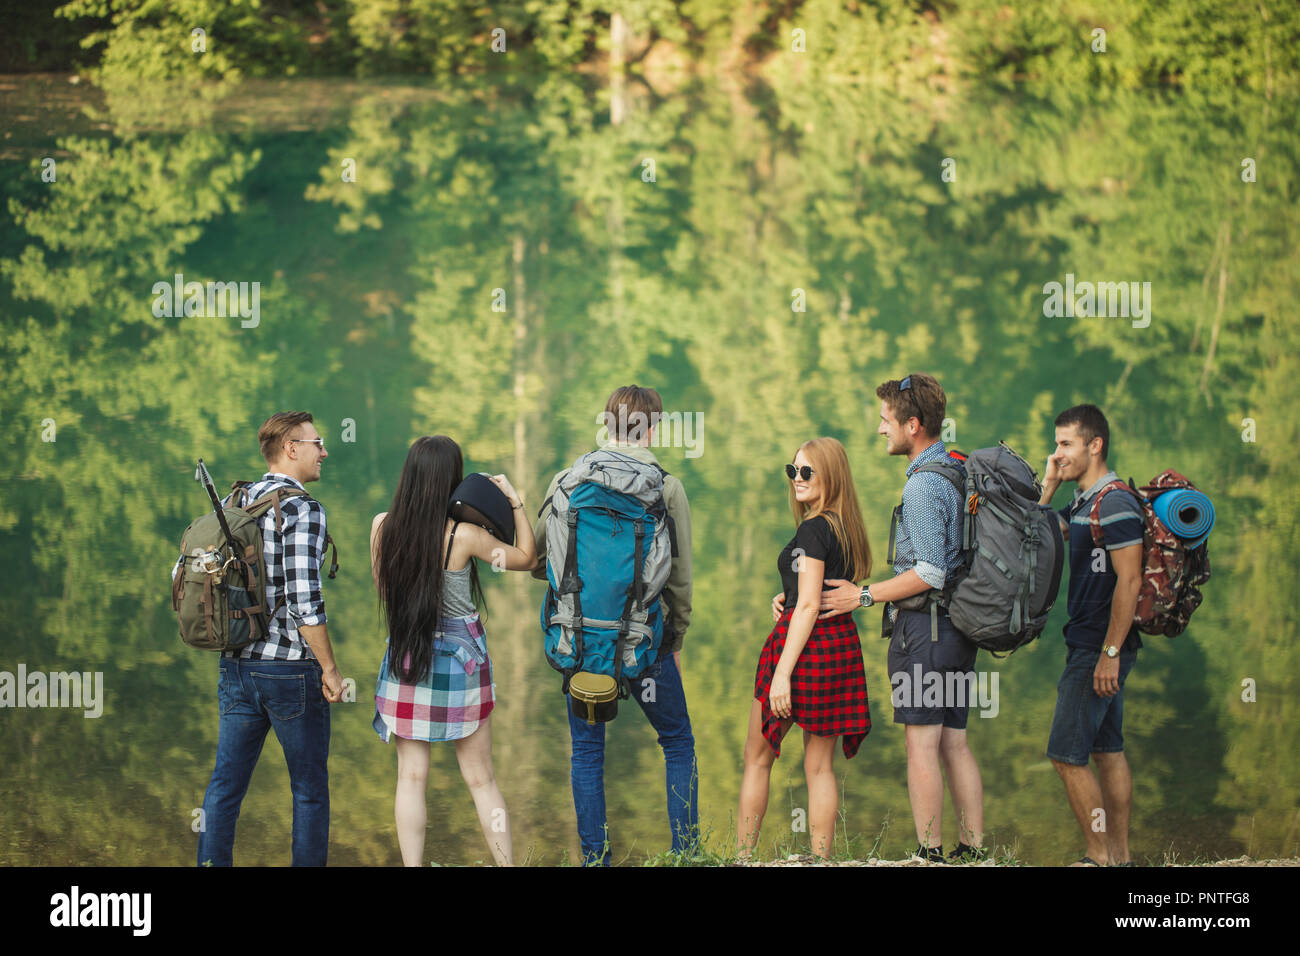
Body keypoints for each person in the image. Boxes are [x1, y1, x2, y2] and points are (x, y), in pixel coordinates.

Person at [819, 373, 985, 863]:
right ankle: (973, 851)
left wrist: (862, 596)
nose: (879, 430)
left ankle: (929, 853)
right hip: (959, 628)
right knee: (955, 742)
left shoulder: (922, 487)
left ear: (913, 425)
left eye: (886, 421)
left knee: (922, 746)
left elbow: (929, 571)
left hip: (926, 632)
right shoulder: (957, 469)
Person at [531, 385, 696, 866]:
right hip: (645, 641)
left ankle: (596, 860)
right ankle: (686, 854)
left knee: (587, 753)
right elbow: (680, 580)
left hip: (580, 642)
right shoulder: (666, 488)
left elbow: (543, 559)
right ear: (655, 427)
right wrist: (675, 638)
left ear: (606, 423)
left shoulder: (566, 480)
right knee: (677, 742)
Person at [370, 436, 536, 867]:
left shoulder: (382, 527)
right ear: (451, 480)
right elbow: (527, 558)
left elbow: (387, 596)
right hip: (461, 666)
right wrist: (515, 504)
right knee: (482, 781)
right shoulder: (464, 536)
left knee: (410, 777)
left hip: (407, 657)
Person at [188, 411, 345, 867]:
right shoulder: (303, 509)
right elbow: (304, 601)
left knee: (225, 787)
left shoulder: (238, 500)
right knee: (310, 792)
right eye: (318, 443)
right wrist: (331, 670)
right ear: (292, 448)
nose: (324, 451)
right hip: (290, 670)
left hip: (236, 663)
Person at [740, 437, 872, 861]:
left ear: (829, 476)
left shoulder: (814, 528)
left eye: (806, 472)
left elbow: (812, 603)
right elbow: (810, 593)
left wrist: (782, 672)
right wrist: (786, 597)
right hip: (836, 649)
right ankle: (820, 859)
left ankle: (742, 858)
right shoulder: (843, 526)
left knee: (758, 758)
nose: (796, 479)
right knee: (819, 767)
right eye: (792, 470)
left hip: (803, 651)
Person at [1039, 404, 1142, 867]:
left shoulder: (1114, 501)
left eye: (1065, 444)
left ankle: (1099, 856)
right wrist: (1049, 486)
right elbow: (1037, 535)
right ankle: (1119, 857)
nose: (1057, 453)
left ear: (1094, 445)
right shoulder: (1084, 502)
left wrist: (1110, 654)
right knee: (1107, 750)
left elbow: (1131, 581)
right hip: (1094, 643)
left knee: (1065, 755)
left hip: (1099, 647)